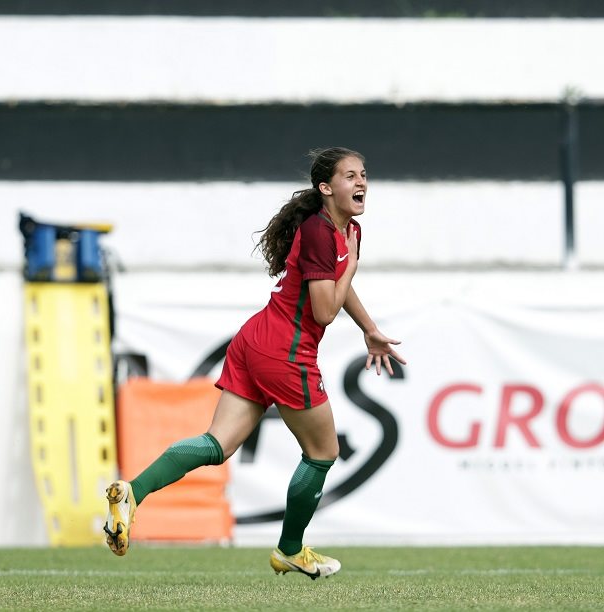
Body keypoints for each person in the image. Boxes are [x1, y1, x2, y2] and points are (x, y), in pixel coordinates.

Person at [103, 147, 405, 579]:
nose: (361, 183)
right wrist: (353, 267)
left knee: (218, 445)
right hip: (286, 351)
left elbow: (333, 286)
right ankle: (290, 549)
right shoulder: (325, 233)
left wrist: (368, 328)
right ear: (325, 188)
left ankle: (131, 493)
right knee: (323, 453)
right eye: (349, 176)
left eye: (364, 175)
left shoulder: (345, 230)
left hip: (255, 340)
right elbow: (323, 309)